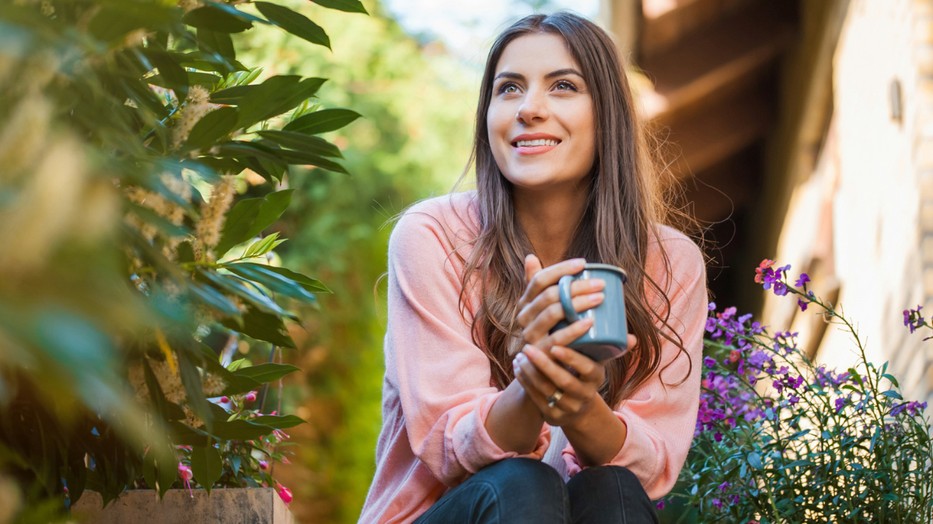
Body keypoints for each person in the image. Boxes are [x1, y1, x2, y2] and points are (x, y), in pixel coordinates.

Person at [359, 11, 707, 524]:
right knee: (523, 483)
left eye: (563, 86)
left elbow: (652, 468)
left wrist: (578, 404)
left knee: (613, 488)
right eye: (509, 89)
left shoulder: (670, 262)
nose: (529, 109)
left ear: (608, 113)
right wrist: (531, 385)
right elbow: (450, 450)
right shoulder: (432, 236)